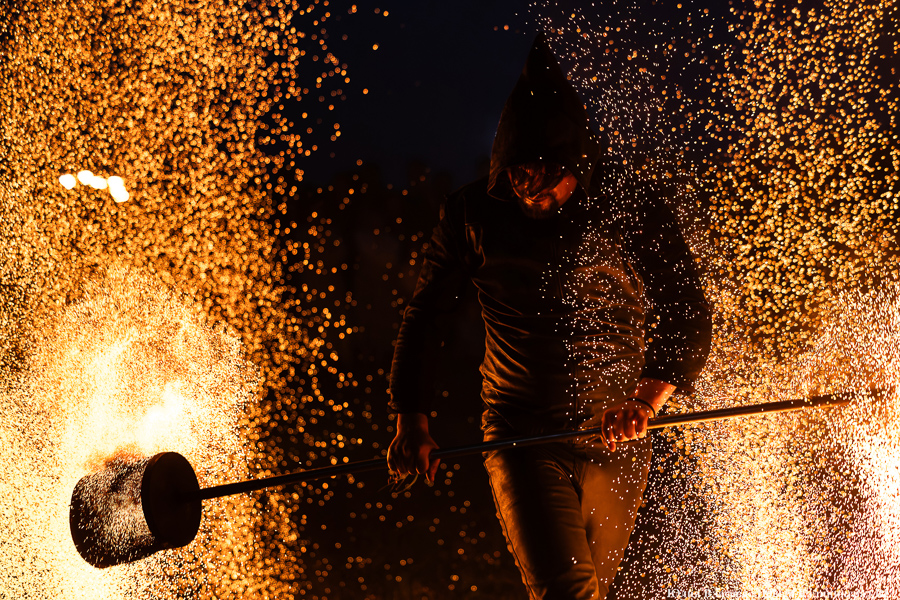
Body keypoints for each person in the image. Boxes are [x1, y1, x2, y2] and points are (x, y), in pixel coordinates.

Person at [386, 34, 712, 600]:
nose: (528, 191)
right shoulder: (471, 216)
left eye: (541, 177)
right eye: (516, 177)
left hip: (618, 439)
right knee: (567, 595)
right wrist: (410, 417)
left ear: (574, 165)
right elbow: (426, 316)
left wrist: (645, 402)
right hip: (521, 436)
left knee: (595, 591)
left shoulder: (625, 205)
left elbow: (686, 307)